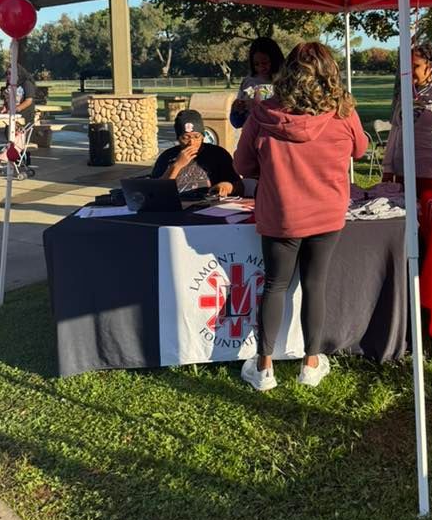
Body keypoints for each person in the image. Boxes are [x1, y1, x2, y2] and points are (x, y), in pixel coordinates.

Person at [233, 42, 368, 392]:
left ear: (288, 72)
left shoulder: (263, 114)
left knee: (275, 285)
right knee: (314, 285)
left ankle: (264, 368)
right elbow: (361, 148)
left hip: (281, 214)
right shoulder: (343, 113)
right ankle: (310, 363)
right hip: (327, 214)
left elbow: (242, 166)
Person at [382, 41, 432, 193]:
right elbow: (395, 131)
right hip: (401, 173)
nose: (410, 72)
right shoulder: (406, 93)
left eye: (415, 66)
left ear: (430, 67)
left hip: (430, 177)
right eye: (407, 67)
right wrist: (388, 169)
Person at [151, 109, 243, 198]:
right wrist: (177, 165)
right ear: (178, 138)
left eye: (196, 137)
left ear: (203, 136)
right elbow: (155, 191)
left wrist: (227, 187)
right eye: (185, 138)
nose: (192, 142)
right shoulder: (167, 156)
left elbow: (240, 186)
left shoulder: (218, 154)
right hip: (177, 206)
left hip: (210, 206)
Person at [230, 37, 285, 129]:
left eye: (265, 63)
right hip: (251, 131)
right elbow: (238, 118)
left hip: (274, 132)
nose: (261, 67)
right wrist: (237, 109)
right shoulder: (248, 81)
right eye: (256, 64)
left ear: (274, 60)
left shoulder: (284, 82)